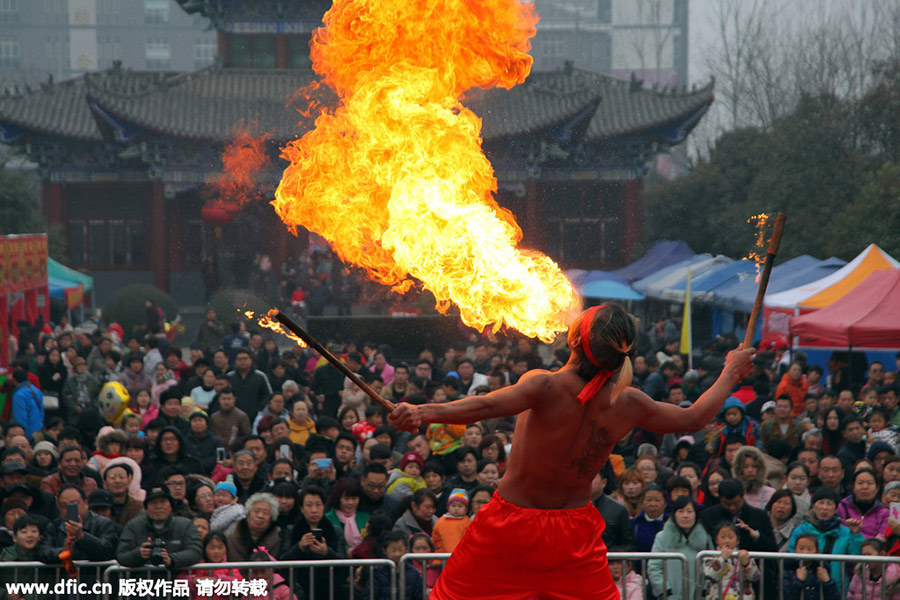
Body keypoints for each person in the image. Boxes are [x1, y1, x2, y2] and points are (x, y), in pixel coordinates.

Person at [388, 303, 755, 600]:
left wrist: (423, 412)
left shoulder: (543, 385)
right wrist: (730, 373)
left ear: (576, 342)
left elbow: (484, 407)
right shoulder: (628, 403)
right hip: (573, 534)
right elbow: (693, 419)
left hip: (511, 529)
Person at [115, 484, 202, 572]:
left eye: (163, 501)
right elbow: (121, 555)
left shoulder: (185, 525)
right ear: (146, 508)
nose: (158, 506)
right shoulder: (133, 526)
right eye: (153, 503)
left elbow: (195, 551)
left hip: (175, 580)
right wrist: (139, 554)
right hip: (143, 582)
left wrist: (172, 559)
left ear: (170, 506)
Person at [648, 496, 712, 600]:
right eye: (680, 511)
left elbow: (711, 567)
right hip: (672, 595)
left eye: (689, 511)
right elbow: (654, 567)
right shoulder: (663, 537)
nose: (685, 516)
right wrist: (666, 591)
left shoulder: (705, 537)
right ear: (674, 514)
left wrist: (705, 591)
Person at [702, 522, 760, 600]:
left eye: (731, 537)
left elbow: (755, 577)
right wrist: (722, 559)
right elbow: (710, 575)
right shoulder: (710, 556)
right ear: (716, 540)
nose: (727, 540)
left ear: (737, 540)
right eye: (723, 537)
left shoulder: (744, 555)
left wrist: (746, 564)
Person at [782, 533, 840, 600]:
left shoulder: (823, 569)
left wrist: (827, 581)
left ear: (817, 551)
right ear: (795, 550)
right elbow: (785, 596)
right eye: (801, 548)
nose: (805, 552)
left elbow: (834, 597)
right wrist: (798, 581)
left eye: (809, 549)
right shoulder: (787, 568)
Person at [837, 467, 889, 539]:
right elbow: (839, 534)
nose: (865, 487)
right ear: (853, 487)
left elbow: (882, 538)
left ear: (877, 488)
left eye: (870, 483)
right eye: (860, 483)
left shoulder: (884, 513)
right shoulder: (843, 507)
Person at [432, 488, 471, 553]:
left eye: (460, 506)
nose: (456, 509)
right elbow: (435, 539)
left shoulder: (467, 522)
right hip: (441, 558)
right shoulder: (441, 521)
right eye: (453, 505)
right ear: (448, 507)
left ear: (466, 509)